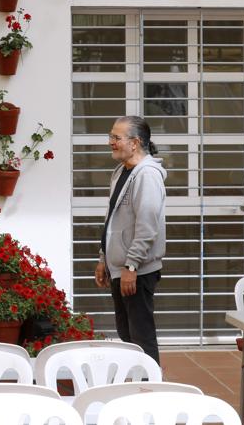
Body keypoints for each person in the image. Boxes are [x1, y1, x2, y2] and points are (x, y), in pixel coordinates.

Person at [94, 115, 166, 363]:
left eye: (116, 137)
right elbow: (112, 219)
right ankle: (137, 382)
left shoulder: (146, 175)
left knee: (141, 336)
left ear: (134, 143)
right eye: (110, 136)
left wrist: (131, 266)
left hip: (137, 271)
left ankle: (151, 389)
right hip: (120, 268)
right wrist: (104, 258)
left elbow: (147, 226)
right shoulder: (121, 171)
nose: (110, 142)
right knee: (127, 334)